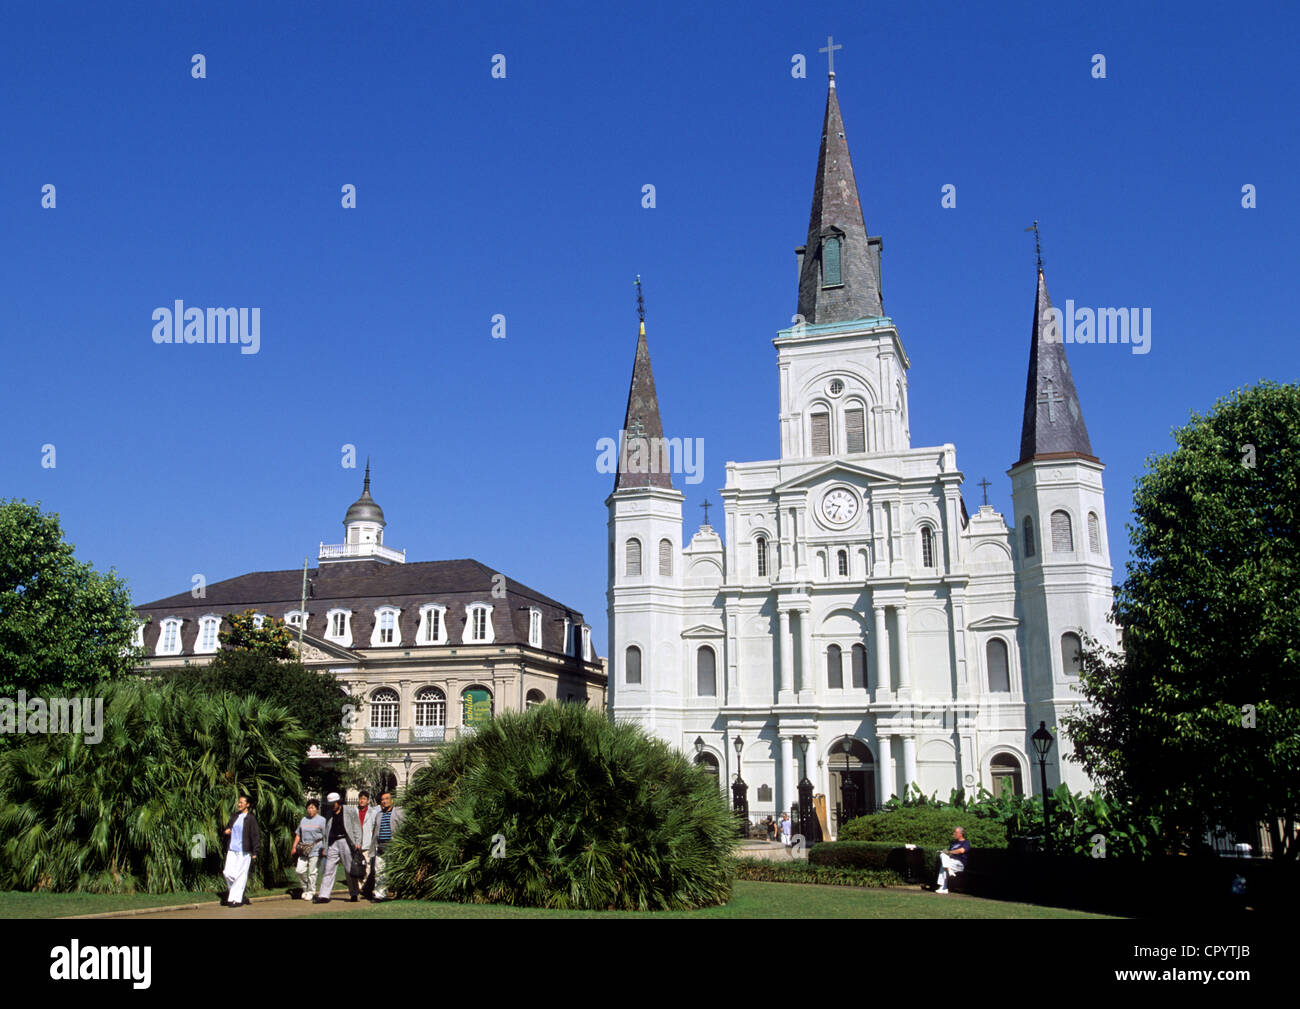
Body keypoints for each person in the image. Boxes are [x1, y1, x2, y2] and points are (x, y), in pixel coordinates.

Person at [315, 792, 363, 903]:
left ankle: (354, 893)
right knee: (328, 869)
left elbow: (356, 826)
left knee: (349, 869)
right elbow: (327, 830)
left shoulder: (349, 811)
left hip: (345, 841)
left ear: (338, 802)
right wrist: (325, 846)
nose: (332, 806)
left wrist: (357, 842)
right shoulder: (329, 814)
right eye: (330, 804)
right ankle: (324, 895)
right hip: (333, 842)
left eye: (333, 803)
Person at [221, 793, 259, 908]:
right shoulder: (235, 816)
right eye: (239, 802)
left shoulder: (251, 818)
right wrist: (227, 831)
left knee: (241, 875)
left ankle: (235, 899)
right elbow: (228, 828)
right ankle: (237, 895)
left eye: (242, 802)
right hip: (232, 849)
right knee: (227, 873)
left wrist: (255, 851)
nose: (239, 804)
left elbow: (255, 835)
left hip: (245, 850)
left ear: (247, 805)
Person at [369, 790, 405, 901]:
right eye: (382, 800)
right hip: (380, 846)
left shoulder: (399, 812)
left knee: (395, 870)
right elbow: (375, 832)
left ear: (392, 800)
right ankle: (380, 895)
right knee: (380, 871)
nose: (384, 801)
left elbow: (404, 828)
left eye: (386, 799)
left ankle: (398, 892)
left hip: (393, 846)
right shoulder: (378, 815)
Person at [291, 799, 327, 901]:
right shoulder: (303, 820)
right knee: (299, 870)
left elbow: (325, 835)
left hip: (316, 849)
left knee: (312, 872)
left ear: (317, 809)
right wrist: (294, 847)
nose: (310, 810)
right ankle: (305, 888)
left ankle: (311, 891)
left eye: (312, 808)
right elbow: (298, 834)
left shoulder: (322, 820)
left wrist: (325, 848)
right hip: (304, 849)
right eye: (308, 808)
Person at [934, 826, 971, 894]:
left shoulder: (966, 843)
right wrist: (944, 852)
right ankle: (949, 871)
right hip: (950, 862)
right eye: (954, 832)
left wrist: (949, 852)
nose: (954, 834)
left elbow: (961, 851)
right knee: (943, 855)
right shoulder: (953, 843)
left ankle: (943, 887)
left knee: (943, 866)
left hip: (959, 863)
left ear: (961, 833)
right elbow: (949, 854)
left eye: (956, 832)